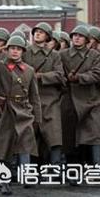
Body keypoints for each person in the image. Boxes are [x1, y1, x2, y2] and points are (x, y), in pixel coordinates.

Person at [0, 36, 41, 196]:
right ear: (7, 50)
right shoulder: (0, 66)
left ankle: (26, 175)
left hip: (24, 110)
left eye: (18, 49)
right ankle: (2, 178)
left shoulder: (29, 70)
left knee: (26, 142)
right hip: (4, 109)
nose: (15, 51)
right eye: (12, 48)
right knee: (3, 144)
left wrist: (37, 118)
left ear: (23, 51)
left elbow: (35, 96)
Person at [60, 25, 100, 180]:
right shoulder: (63, 54)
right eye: (74, 35)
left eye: (80, 36)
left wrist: (79, 78)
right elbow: (59, 73)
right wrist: (66, 78)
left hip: (90, 101)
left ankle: (97, 169)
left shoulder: (94, 55)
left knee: (94, 136)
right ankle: (72, 172)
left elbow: (98, 74)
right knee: (70, 138)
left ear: (86, 39)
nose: (76, 38)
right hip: (70, 100)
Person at [23, 22, 65, 165]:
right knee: (30, 136)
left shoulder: (54, 56)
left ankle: (56, 168)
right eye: (36, 32)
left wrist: (41, 76)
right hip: (29, 99)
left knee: (54, 137)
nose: (37, 34)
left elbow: (60, 75)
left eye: (41, 32)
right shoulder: (25, 52)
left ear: (47, 36)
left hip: (50, 100)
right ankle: (31, 170)